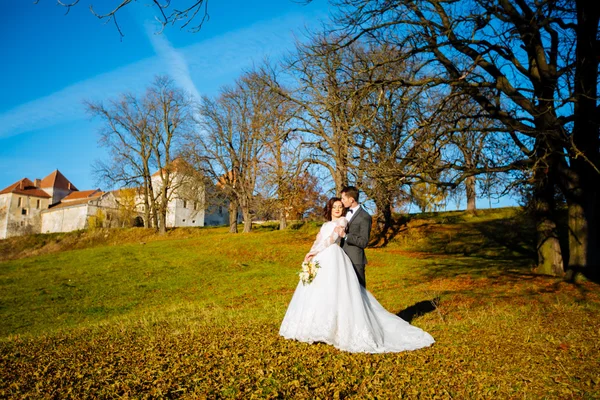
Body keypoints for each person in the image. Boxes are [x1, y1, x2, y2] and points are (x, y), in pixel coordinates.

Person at [279, 197, 435, 353]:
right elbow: (318, 240)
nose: (338, 209)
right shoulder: (325, 225)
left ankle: (334, 330)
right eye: (334, 207)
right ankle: (314, 328)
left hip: (333, 256)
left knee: (335, 292)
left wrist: (315, 252)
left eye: (340, 206)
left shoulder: (342, 222)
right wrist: (310, 253)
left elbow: (332, 239)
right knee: (319, 292)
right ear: (330, 209)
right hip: (321, 258)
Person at [336, 186, 371, 287]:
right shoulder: (344, 213)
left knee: (359, 291)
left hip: (355, 260)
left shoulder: (365, 217)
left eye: (343, 199)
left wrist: (345, 236)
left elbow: (364, 242)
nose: (341, 201)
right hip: (342, 257)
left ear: (351, 200)